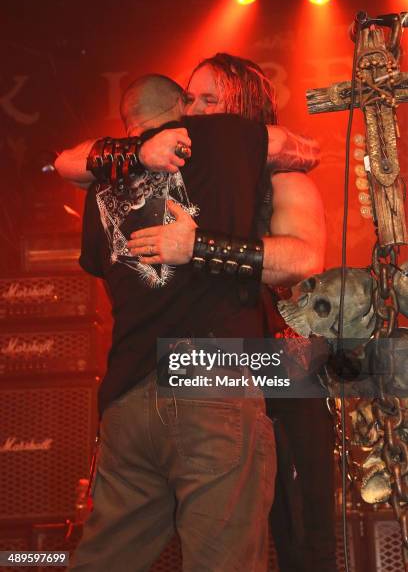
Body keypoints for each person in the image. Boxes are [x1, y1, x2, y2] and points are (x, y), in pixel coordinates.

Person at [65, 73, 284, 572]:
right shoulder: (217, 137)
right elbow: (298, 146)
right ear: (183, 105)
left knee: (105, 561)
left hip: (127, 394)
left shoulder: (102, 180)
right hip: (205, 373)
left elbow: (105, 269)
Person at [126, 54, 336, 572]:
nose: (191, 111)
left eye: (208, 101)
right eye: (188, 100)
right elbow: (70, 163)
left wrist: (198, 247)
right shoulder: (179, 173)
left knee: (300, 533)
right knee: (201, 531)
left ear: (241, 110)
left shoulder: (282, 179)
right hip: (204, 369)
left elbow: (305, 259)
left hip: (282, 364)